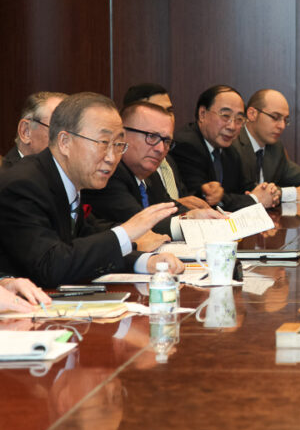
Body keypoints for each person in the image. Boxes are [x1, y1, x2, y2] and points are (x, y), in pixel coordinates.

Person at [0, 92, 184, 288]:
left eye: (118, 145)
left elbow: (85, 244)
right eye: (103, 143)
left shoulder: (67, 183)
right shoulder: (23, 185)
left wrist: (145, 262)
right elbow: (51, 265)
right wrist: (126, 232)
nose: (112, 158)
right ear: (65, 142)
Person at [82, 101, 224, 239]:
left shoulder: (151, 175)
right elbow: (140, 225)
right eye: (152, 137)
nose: (160, 149)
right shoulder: (109, 173)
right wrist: (187, 221)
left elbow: (169, 207)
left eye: (166, 141)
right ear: (122, 135)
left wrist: (202, 216)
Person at [171, 85, 279, 210]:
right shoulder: (187, 146)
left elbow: (245, 188)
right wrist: (255, 199)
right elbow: (202, 201)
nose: (232, 126)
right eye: (225, 116)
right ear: (202, 114)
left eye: (239, 119)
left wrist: (268, 191)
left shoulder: (230, 149)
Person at [122, 83, 209, 210]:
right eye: (152, 136)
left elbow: (172, 202)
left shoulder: (163, 162)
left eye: (169, 111)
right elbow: (137, 220)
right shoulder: (115, 171)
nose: (160, 149)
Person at [235, 89, 300, 201]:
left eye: (285, 120)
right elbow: (250, 193)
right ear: (252, 114)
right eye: (275, 117)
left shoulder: (275, 148)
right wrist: (294, 193)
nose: (282, 126)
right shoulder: (233, 144)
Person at [4, 92, 68, 169]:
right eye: (57, 130)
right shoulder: (8, 178)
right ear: (26, 132)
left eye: (73, 133)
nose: (67, 143)